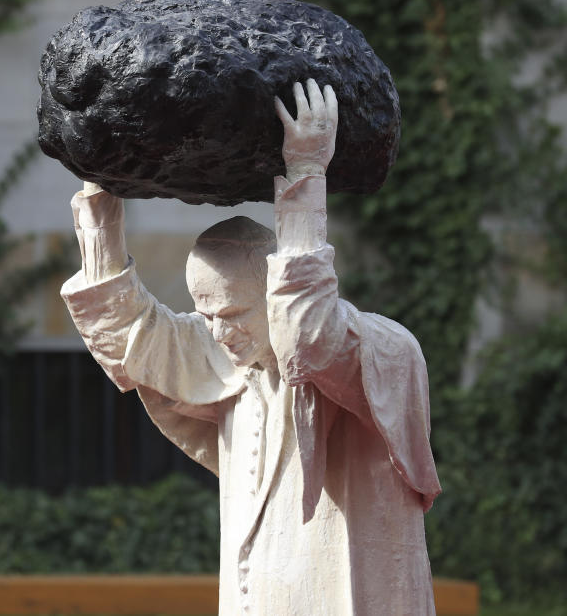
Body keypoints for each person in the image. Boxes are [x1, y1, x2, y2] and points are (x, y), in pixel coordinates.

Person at [61, 80, 442, 615]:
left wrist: (308, 179)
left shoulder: (383, 348)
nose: (216, 332)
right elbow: (130, 334)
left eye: (232, 315)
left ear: (274, 290)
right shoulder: (230, 358)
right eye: (206, 313)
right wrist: (100, 199)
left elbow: (309, 337)